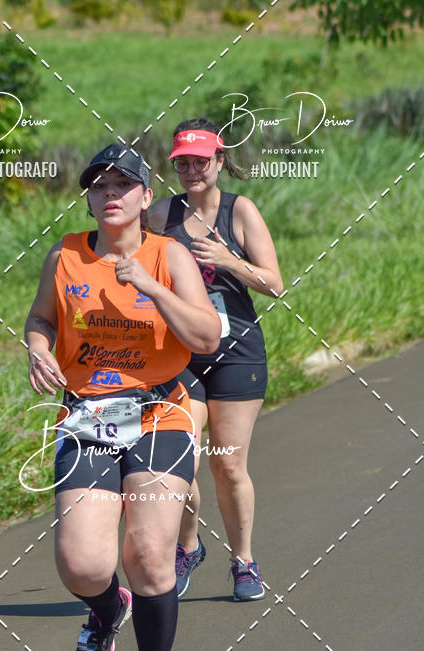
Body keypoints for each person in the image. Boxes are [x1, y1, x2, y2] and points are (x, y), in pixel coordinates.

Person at [24, 143, 220, 651]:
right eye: (99, 186)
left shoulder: (168, 255)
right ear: (89, 199)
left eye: (122, 185)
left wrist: (152, 287)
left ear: (145, 197)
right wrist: (37, 348)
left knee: (151, 553)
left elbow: (206, 337)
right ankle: (108, 610)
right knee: (81, 563)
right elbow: (41, 318)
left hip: (161, 411)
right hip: (88, 414)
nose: (110, 195)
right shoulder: (64, 256)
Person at [148, 119, 283, 601]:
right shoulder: (160, 213)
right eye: (183, 162)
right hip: (177, 353)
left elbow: (274, 283)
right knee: (178, 461)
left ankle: (244, 561)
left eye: (201, 161)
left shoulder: (240, 211)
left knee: (227, 466)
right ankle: (188, 545)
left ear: (220, 161)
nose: (191, 170)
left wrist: (228, 261)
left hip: (236, 353)